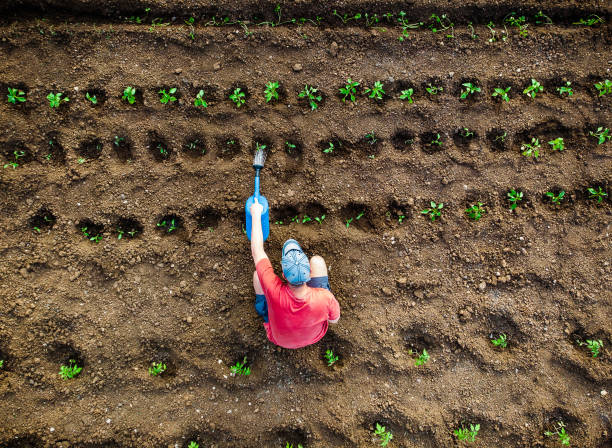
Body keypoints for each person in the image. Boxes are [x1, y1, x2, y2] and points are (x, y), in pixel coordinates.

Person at [249, 197, 340, 349]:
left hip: (279, 340)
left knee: (258, 276)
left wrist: (256, 214)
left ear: (283, 276)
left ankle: (264, 309)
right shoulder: (325, 298)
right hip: (314, 337)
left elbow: (257, 251)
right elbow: (334, 321)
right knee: (318, 261)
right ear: (309, 274)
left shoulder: (273, 289)